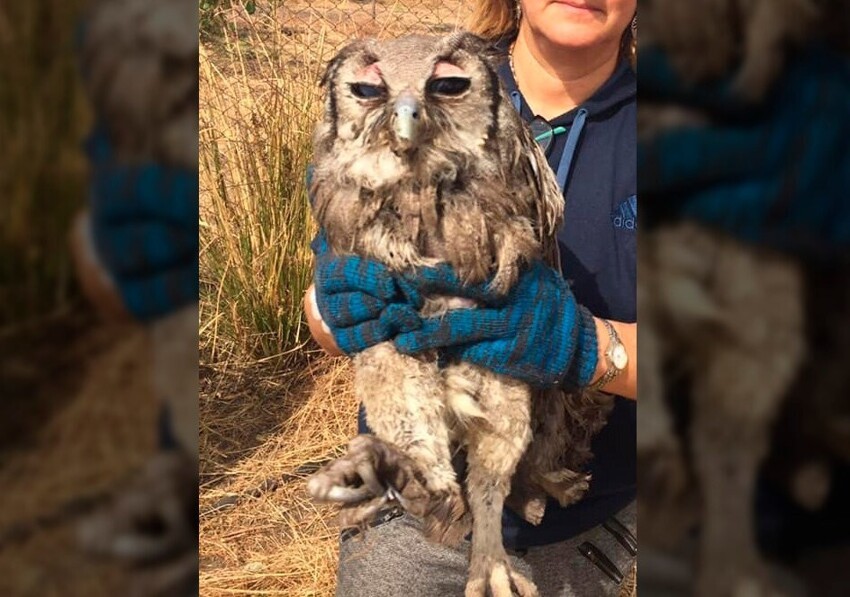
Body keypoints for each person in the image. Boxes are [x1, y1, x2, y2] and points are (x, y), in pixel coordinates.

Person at [304, 1, 637, 594]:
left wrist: (592, 348)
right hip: (408, 502)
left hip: (579, 514)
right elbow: (326, 321)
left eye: (452, 90)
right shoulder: (407, 70)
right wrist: (336, 309)